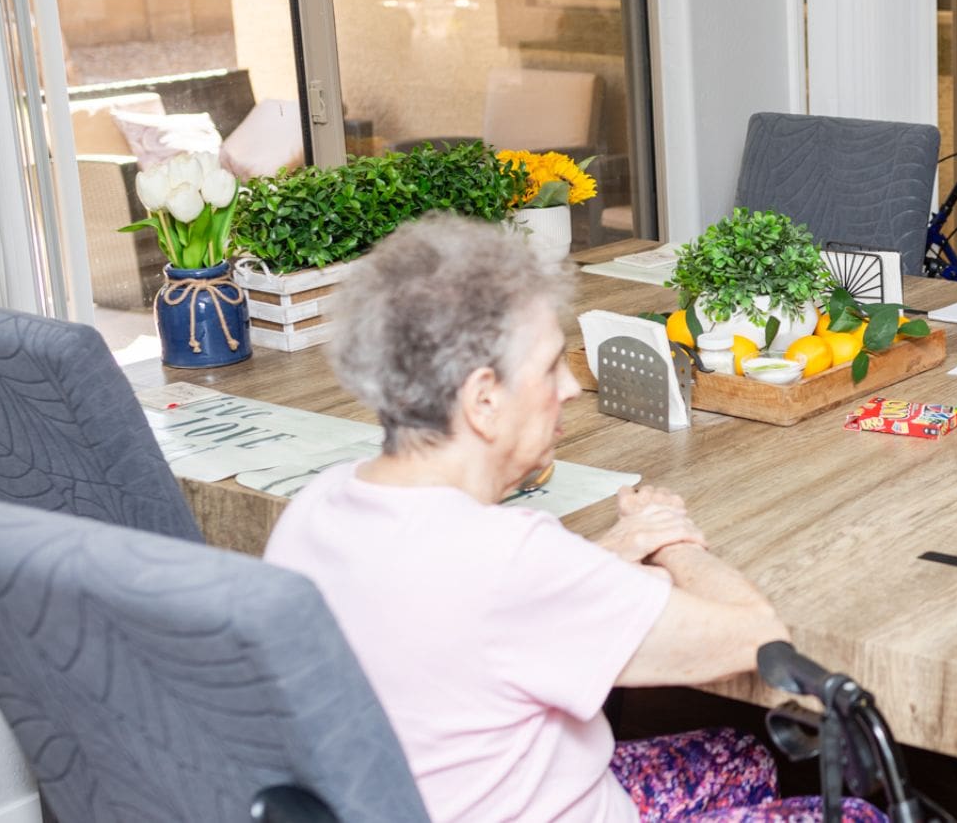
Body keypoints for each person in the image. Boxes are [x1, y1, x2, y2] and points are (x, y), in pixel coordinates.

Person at [264, 213, 883, 823]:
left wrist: (604, 554)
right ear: (484, 400)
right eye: (550, 366)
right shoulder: (513, 562)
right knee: (859, 815)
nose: (569, 388)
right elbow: (757, 635)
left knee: (743, 754)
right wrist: (668, 537)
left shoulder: (318, 503)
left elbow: (474, 612)